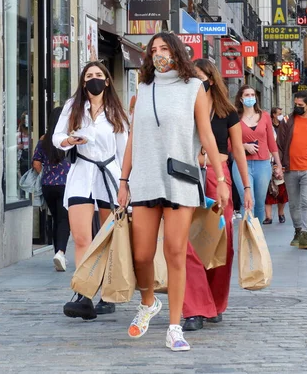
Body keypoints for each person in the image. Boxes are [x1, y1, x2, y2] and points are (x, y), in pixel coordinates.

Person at [117, 32, 229, 352]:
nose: (159, 54)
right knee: (142, 254)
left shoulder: (194, 88)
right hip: (145, 180)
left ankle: (175, 326)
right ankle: (149, 302)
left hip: (179, 180)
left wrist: (220, 178)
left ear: (177, 52)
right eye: (154, 50)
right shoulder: (143, 88)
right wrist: (123, 181)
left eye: (164, 48)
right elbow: (133, 140)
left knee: (175, 254)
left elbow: (206, 137)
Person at [53, 61, 129, 319]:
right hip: (81, 175)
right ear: (83, 82)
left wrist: (125, 183)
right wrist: (69, 140)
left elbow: (123, 150)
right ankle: (84, 293)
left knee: (109, 237)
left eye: (99, 75)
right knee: (82, 237)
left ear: (107, 80)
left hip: (109, 176)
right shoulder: (72, 107)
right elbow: (57, 136)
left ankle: (108, 292)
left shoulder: (116, 111)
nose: (94, 79)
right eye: (89, 75)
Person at [181, 59, 252, 332]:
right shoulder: (184, 109)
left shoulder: (227, 112)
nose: (194, 83)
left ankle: (215, 302)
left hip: (216, 177)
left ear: (211, 78)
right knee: (189, 244)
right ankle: (196, 307)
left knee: (221, 243)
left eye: (199, 77)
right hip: (187, 175)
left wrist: (246, 187)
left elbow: (238, 152)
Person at [232, 85, 283, 221]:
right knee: (248, 201)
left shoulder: (265, 116)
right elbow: (228, 142)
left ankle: (257, 236)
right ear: (241, 99)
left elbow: (271, 142)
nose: (250, 98)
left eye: (252, 95)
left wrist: (278, 164)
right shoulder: (234, 116)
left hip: (263, 164)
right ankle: (248, 238)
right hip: (241, 164)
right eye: (247, 95)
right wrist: (243, 146)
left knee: (260, 203)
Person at [277, 92, 307, 250]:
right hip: (290, 169)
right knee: (294, 204)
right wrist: (279, 165)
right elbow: (279, 144)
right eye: (295, 104)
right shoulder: (287, 121)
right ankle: (297, 231)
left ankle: (306, 235)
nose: (297, 107)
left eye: (300, 105)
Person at [32, 106, 71, 271]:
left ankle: (58, 254)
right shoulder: (68, 140)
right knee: (64, 220)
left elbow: (36, 163)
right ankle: (60, 253)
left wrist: (47, 174)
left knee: (56, 219)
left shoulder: (44, 140)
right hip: (66, 185)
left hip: (48, 186)